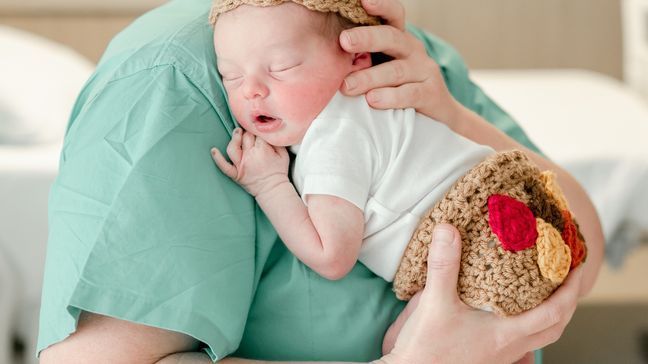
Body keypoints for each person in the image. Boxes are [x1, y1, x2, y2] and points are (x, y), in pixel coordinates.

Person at [37, 0, 604, 363]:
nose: (251, 89)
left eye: (280, 71)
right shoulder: (174, 77)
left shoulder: (403, 51)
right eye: (237, 79)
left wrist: (450, 115)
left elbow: (578, 241)